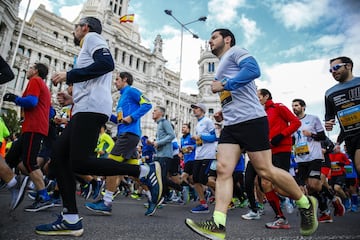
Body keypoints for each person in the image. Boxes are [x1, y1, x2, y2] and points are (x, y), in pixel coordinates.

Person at [185, 28, 318, 239]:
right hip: (231, 125)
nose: (210, 41)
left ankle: (305, 202)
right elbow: (233, 95)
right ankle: (218, 225)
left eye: (214, 37)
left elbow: (254, 70)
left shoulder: (237, 51)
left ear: (227, 39)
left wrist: (225, 84)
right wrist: (223, 110)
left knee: (265, 171)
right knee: (223, 170)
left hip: (252, 121)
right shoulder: (221, 67)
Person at [35, 17, 162, 237]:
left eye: (76, 27)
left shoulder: (92, 37)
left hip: (91, 111)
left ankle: (143, 170)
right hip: (86, 108)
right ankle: (71, 218)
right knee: (60, 158)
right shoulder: (86, 49)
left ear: (85, 27)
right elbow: (94, 83)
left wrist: (69, 75)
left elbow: (106, 64)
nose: (74, 31)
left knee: (79, 161)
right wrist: (72, 99)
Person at [85, 71, 153, 215]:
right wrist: (105, 114)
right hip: (126, 134)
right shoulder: (122, 97)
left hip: (129, 134)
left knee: (110, 166)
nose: (115, 82)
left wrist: (132, 117)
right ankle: (152, 196)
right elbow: (120, 120)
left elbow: (147, 104)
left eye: (117, 79)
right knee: (134, 174)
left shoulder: (131, 91)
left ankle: (106, 202)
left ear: (125, 80)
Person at [3, 62, 53, 212]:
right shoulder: (42, 85)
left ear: (36, 71)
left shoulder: (35, 81)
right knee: (11, 158)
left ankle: (44, 195)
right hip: (32, 127)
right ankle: (13, 181)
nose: (28, 69)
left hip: (34, 128)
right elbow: (49, 111)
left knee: (30, 162)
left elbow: (32, 102)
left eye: (30, 67)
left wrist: (14, 98)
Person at [256, 88, 301, 229]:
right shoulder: (260, 113)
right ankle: (280, 218)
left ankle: (306, 200)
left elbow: (295, 123)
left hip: (282, 149)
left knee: (279, 186)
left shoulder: (278, 107)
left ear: (266, 96)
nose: (256, 99)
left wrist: (281, 135)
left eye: (258, 96)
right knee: (265, 183)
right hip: (267, 151)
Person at [324, 56, 360, 175]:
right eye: (331, 70)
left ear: (348, 66)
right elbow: (329, 116)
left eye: (336, 67)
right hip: (349, 137)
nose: (333, 71)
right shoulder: (330, 93)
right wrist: (328, 123)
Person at [190, 103, 217, 213]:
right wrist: (194, 146)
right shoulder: (198, 124)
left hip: (207, 155)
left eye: (196, 108)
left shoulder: (208, 121)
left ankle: (224, 192)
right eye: (194, 109)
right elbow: (200, 142)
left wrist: (201, 136)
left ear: (202, 110)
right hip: (199, 154)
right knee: (194, 179)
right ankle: (203, 204)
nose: (194, 110)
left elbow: (214, 137)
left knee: (203, 179)